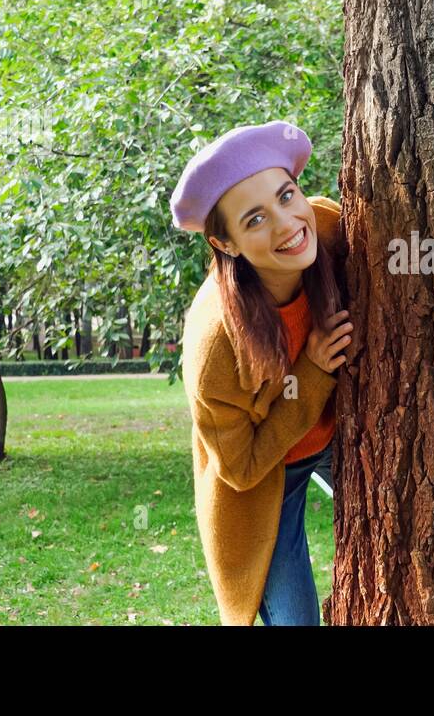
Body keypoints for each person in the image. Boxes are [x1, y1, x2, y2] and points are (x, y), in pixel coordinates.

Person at [170, 120, 353, 626]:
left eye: (286, 195)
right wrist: (312, 372)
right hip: (267, 478)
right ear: (225, 244)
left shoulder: (326, 228)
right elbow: (242, 467)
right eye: (254, 220)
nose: (287, 224)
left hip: (342, 443)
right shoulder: (215, 342)